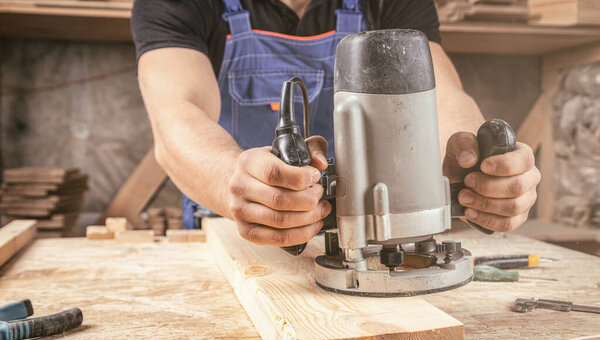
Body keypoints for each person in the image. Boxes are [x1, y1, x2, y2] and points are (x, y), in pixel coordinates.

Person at [132, 0, 540, 246]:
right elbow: (177, 118)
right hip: (234, 234)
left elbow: (442, 96)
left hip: (366, 237)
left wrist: (478, 169)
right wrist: (237, 183)